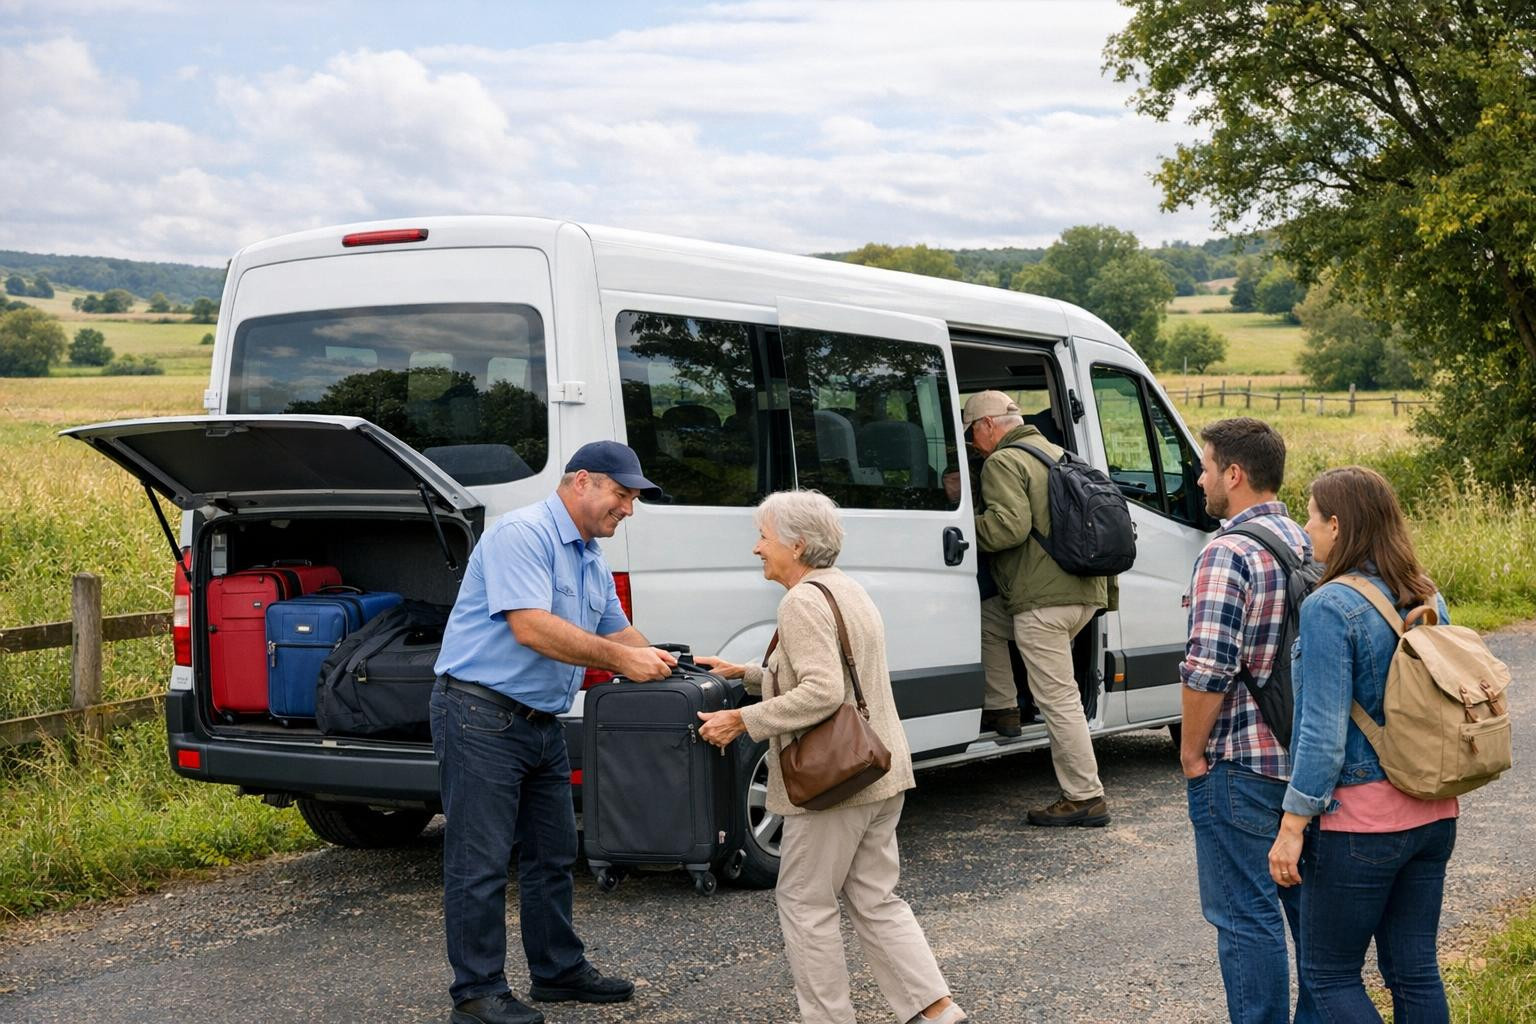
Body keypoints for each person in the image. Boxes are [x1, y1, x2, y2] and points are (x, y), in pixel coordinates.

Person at [693, 490, 967, 1024]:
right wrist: (745, 672)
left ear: (796, 545)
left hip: (832, 786)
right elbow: (839, 671)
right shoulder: (845, 588)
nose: (757, 548)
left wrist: (740, 719)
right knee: (876, 900)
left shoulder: (799, 602)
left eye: (764, 537)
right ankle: (936, 1012)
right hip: (879, 772)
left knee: (804, 903)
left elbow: (822, 692)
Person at [429, 441, 678, 1024]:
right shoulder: (523, 534)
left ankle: (557, 972)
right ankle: (477, 993)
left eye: (634, 499)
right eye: (622, 495)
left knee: (552, 854)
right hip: (479, 715)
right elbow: (532, 628)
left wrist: (683, 665)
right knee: (480, 859)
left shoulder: (589, 556)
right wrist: (621, 661)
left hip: (540, 721)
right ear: (582, 482)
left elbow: (623, 637)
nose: (629, 509)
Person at [1268, 466, 1457, 1022]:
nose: (1305, 529)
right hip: (1433, 812)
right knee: (1415, 970)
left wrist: (1291, 827)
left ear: (1337, 523)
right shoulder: (1426, 594)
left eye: (1309, 515)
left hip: (1361, 827)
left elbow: (1322, 736)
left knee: (1329, 978)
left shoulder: (1330, 607)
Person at [1179, 417, 1313, 1024]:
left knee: (1246, 914)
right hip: (1309, 761)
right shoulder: (1312, 540)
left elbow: (1208, 667)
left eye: (1205, 466)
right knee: (1308, 917)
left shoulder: (1227, 551)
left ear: (1233, 475)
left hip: (1242, 760)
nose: (1199, 477)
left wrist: (1190, 753)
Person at [963, 390, 1111, 827]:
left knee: (1059, 699)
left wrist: (960, 527)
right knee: (990, 622)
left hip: (1043, 603)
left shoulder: (1002, 462)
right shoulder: (1059, 453)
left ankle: (1085, 796)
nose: (973, 444)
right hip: (1083, 594)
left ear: (988, 425)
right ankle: (1004, 706)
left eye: (973, 433)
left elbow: (1008, 528)